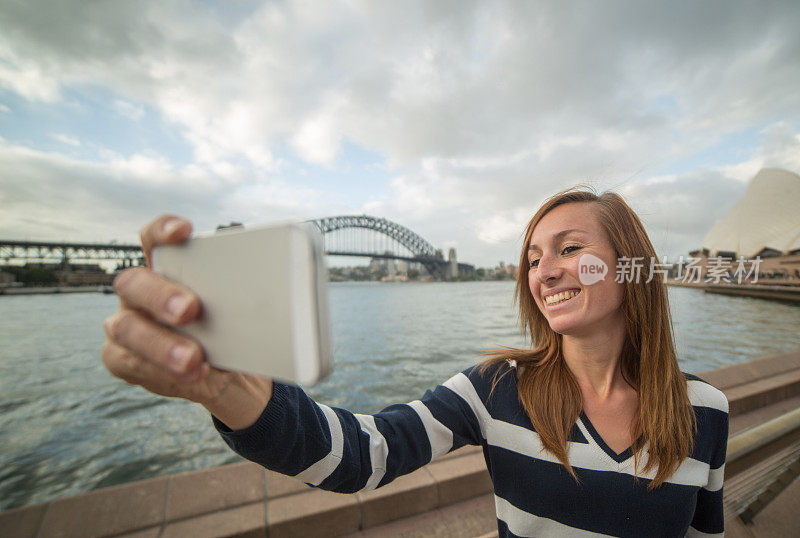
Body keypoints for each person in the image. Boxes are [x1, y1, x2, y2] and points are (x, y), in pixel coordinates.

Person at [102, 187, 728, 537]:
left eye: (569, 248)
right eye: (534, 258)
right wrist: (229, 389)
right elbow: (361, 455)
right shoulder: (496, 390)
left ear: (629, 263)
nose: (546, 271)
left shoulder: (706, 412)